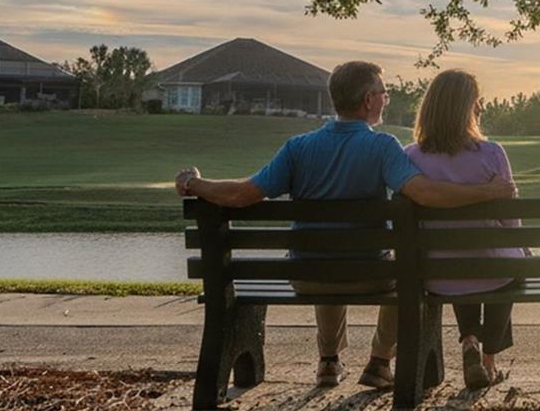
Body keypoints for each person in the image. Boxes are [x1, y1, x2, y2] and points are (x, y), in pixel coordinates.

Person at [174, 60, 515, 391]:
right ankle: (379, 362)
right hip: (372, 275)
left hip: (307, 277)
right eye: (383, 93)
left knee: (324, 256)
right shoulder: (382, 147)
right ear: (368, 100)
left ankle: (328, 360)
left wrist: (194, 183)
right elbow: (425, 193)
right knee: (408, 272)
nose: (386, 99)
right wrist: (488, 192)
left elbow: (241, 194)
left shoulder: (298, 148)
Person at [404, 68, 522, 390]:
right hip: (493, 269)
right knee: (507, 264)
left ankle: (470, 339)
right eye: (476, 101)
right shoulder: (491, 153)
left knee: (458, 261)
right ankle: (488, 359)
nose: (481, 107)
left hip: (436, 274)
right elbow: (511, 221)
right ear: (465, 107)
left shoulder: (411, 156)